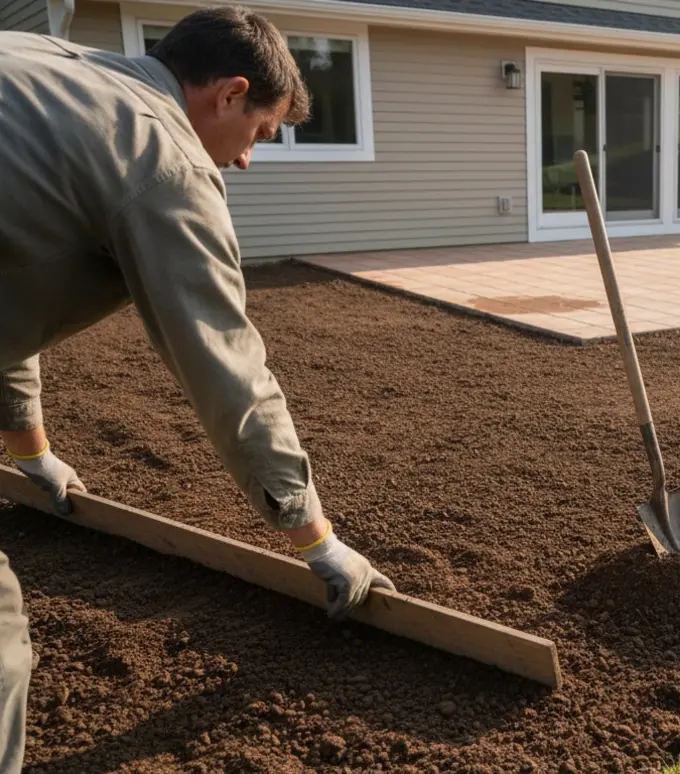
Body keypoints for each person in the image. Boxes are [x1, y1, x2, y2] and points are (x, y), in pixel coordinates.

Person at [0, 6, 396, 769]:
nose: (247, 160)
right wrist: (315, 537)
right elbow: (226, 367)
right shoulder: (162, 156)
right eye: (260, 132)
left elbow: (8, 287)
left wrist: (29, 450)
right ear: (229, 93)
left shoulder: (48, 69)